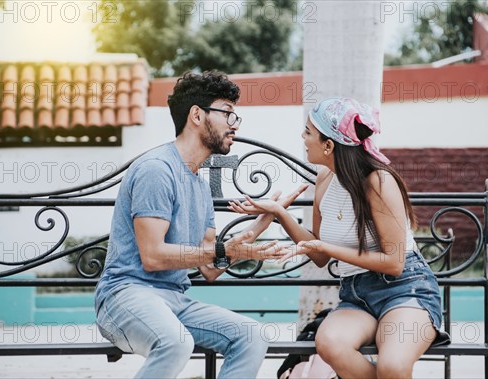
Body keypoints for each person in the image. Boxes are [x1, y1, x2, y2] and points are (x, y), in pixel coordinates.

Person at [94, 70, 306, 379]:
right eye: (228, 114)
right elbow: (152, 256)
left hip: (174, 300)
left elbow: (210, 266)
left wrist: (266, 218)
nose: (234, 125)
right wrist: (223, 249)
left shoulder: (199, 185)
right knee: (175, 342)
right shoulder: (157, 170)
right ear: (196, 114)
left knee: (251, 336)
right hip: (125, 296)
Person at [229, 97, 450, 379]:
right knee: (329, 343)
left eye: (308, 131)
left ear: (328, 145)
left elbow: (394, 263)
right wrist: (279, 213)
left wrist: (324, 245)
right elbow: (320, 255)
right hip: (357, 295)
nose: (303, 137)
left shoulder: (378, 182)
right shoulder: (324, 181)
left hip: (405, 290)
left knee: (392, 366)